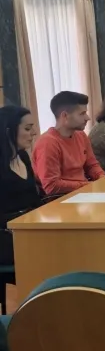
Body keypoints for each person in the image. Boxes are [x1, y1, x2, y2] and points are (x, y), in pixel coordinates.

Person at [33, 91, 105, 196]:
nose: (87, 118)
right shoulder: (48, 143)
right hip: (60, 198)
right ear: (65, 115)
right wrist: (87, 185)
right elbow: (51, 186)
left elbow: (92, 165)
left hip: (83, 193)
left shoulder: (81, 135)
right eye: (82, 114)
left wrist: (101, 177)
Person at [0, 106, 42, 265]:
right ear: (8, 131)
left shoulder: (23, 156)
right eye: (27, 128)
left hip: (26, 227)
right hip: (6, 234)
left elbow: (34, 199)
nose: (34, 133)